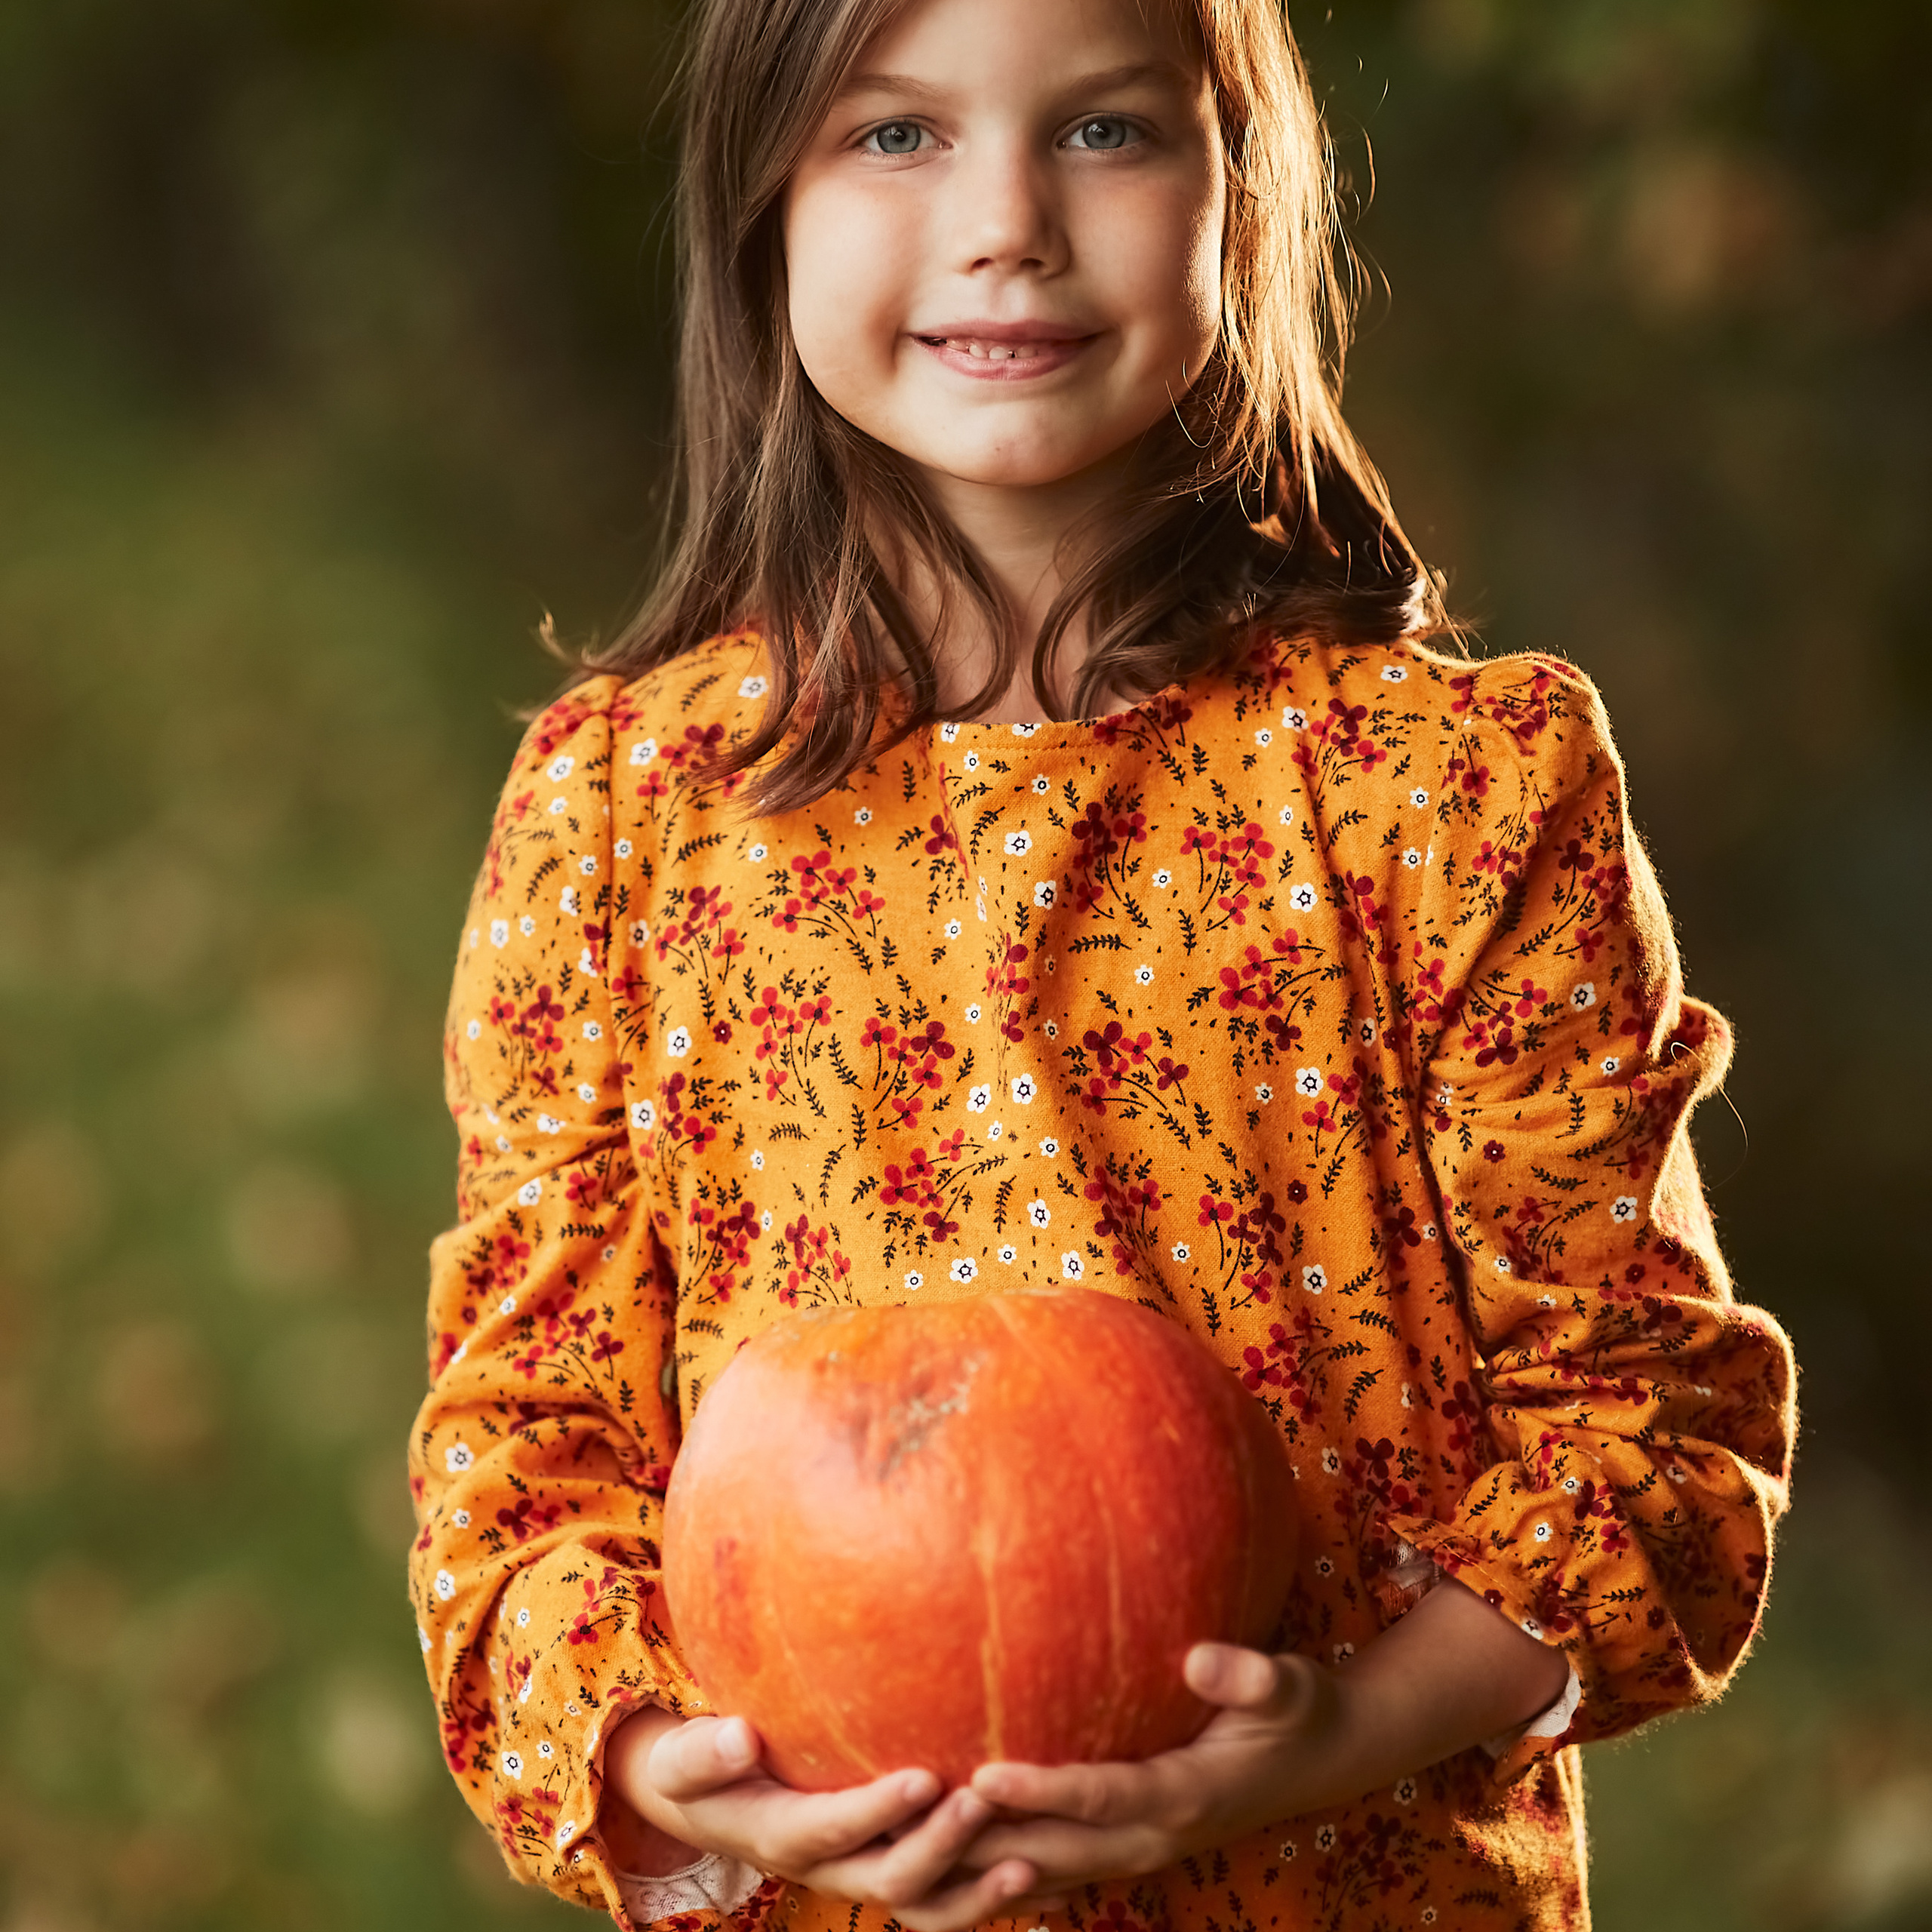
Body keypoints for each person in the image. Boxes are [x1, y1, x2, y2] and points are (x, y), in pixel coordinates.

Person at [406, 0, 1797, 1926]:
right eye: (893, 138)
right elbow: (526, 1455)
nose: (1005, 225)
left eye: (1105, 133)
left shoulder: (1447, 792)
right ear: (761, 215)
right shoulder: (628, 813)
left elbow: (1648, 1425)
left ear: (1243, 183)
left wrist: (1348, 1723)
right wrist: (676, 1769)